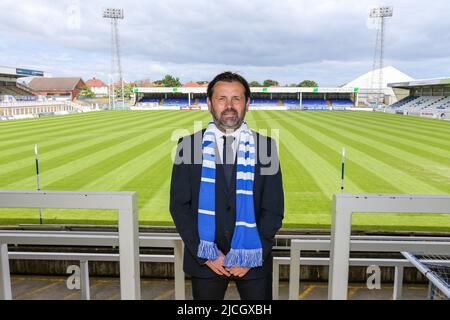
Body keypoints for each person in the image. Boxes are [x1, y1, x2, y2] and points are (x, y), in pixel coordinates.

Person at [170, 71, 284, 300]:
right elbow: (179, 207)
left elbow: (273, 209)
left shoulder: (266, 147)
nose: (229, 106)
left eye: (237, 98)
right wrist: (207, 255)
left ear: (247, 104)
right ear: (210, 103)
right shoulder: (187, 145)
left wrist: (253, 255)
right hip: (206, 262)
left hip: (254, 262)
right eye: (222, 99)